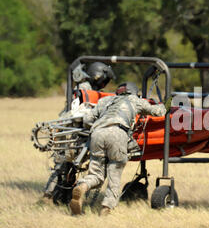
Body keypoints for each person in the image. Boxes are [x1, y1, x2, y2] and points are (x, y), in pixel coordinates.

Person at [69, 82, 167, 216]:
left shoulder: (105, 100)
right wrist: (165, 103)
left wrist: (99, 126)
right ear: (134, 92)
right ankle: (106, 208)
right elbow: (159, 112)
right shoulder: (135, 100)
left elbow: (87, 119)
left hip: (97, 133)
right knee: (114, 172)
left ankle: (82, 187)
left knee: (96, 174)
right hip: (118, 132)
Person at [40, 62, 116, 203]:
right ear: (97, 77)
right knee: (62, 164)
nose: (105, 84)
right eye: (104, 80)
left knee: (65, 165)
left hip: (72, 128)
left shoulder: (87, 88)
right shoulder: (84, 88)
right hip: (71, 130)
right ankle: (48, 195)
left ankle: (55, 193)